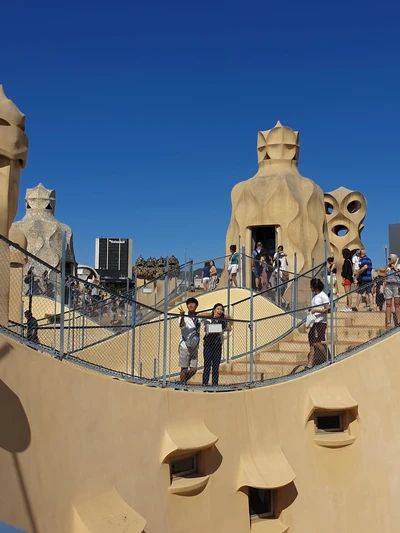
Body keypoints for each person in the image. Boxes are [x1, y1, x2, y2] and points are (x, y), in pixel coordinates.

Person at [202, 303, 231, 386]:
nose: (219, 311)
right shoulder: (208, 319)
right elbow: (200, 315)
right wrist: (212, 315)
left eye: (221, 309)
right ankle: (205, 384)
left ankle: (215, 384)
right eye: (218, 309)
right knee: (207, 366)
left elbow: (229, 328)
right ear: (214, 309)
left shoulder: (222, 321)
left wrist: (227, 319)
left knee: (215, 367)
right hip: (208, 344)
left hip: (217, 345)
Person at [306, 278, 330, 368]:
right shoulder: (315, 297)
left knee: (316, 342)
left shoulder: (323, 296)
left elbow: (328, 308)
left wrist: (316, 310)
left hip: (321, 322)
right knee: (311, 342)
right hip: (314, 321)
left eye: (311, 285)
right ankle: (310, 364)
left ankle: (327, 358)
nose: (310, 287)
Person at [178, 297, 200, 384]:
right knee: (184, 368)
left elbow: (209, 315)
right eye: (189, 304)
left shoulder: (198, 316)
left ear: (196, 306)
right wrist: (183, 316)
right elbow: (181, 325)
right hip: (185, 346)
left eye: (193, 303)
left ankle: (182, 382)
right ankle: (183, 385)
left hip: (194, 346)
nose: (191, 305)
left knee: (193, 370)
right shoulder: (183, 316)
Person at [384, 253, 400, 329]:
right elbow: (385, 278)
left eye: (390, 259)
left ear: (394, 259)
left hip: (396, 286)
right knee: (388, 304)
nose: (389, 260)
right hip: (388, 286)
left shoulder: (399, 266)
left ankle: (398, 321)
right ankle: (388, 322)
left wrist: (396, 269)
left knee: (397, 303)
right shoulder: (387, 267)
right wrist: (383, 288)